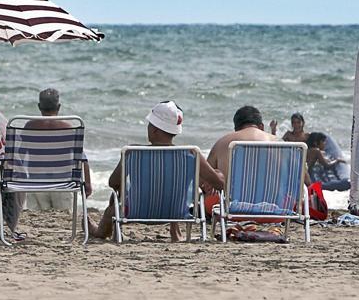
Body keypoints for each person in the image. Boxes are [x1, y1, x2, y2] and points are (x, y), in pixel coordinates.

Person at [92, 101, 224, 241]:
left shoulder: (132, 153)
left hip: (136, 212)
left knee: (116, 197)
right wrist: (217, 174)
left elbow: (113, 182)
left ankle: (100, 232)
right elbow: (220, 184)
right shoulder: (191, 154)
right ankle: (175, 230)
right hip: (177, 213)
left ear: (154, 130)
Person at [23, 88, 93, 212]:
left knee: (38, 217)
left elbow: (20, 156)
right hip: (63, 184)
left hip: (35, 184)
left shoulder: (29, 127)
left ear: (39, 106)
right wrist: (87, 183)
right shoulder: (68, 128)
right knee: (64, 215)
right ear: (59, 107)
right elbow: (82, 158)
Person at [208, 105, 278, 175]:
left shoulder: (222, 143)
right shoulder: (279, 143)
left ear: (236, 129)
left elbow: (203, 180)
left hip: (233, 186)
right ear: (262, 127)